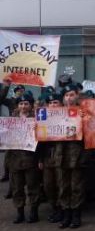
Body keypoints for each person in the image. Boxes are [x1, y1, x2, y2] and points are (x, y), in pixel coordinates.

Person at [8, 92, 40, 223]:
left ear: (31, 105)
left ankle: (34, 212)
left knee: (33, 186)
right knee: (17, 188)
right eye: (21, 104)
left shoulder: (36, 119)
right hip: (15, 159)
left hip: (30, 158)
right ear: (17, 106)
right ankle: (20, 212)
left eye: (26, 103)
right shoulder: (11, 119)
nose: (23, 106)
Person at [58, 84, 87, 229]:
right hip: (61, 156)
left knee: (77, 186)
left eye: (71, 94)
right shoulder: (55, 113)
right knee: (64, 186)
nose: (69, 98)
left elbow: (90, 133)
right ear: (63, 98)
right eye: (66, 95)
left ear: (77, 95)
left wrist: (84, 120)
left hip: (77, 155)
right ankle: (66, 214)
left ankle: (76, 215)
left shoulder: (83, 111)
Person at [37, 92, 64, 223]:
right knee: (48, 185)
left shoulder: (67, 117)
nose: (53, 105)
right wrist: (40, 159)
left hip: (61, 156)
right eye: (51, 103)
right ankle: (54, 207)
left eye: (56, 102)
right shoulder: (42, 117)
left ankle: (61, 209)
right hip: (47, 156)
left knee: (61, 184)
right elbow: (40, 142)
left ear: (60, 104)